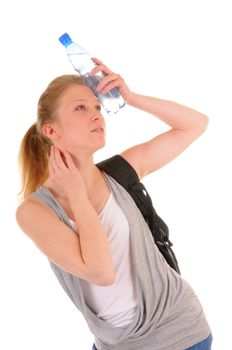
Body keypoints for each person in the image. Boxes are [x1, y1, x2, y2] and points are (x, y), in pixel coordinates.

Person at [16, 57, 212, 349]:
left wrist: (131, 97)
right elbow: (100, 272)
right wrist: (77, 195)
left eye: (97, 106)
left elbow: (195, 125)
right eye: (81, 108)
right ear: (52, 131)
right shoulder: (34, 211)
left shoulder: (120, 173)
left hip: (182, 332)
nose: (97, 115)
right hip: (119, 344)